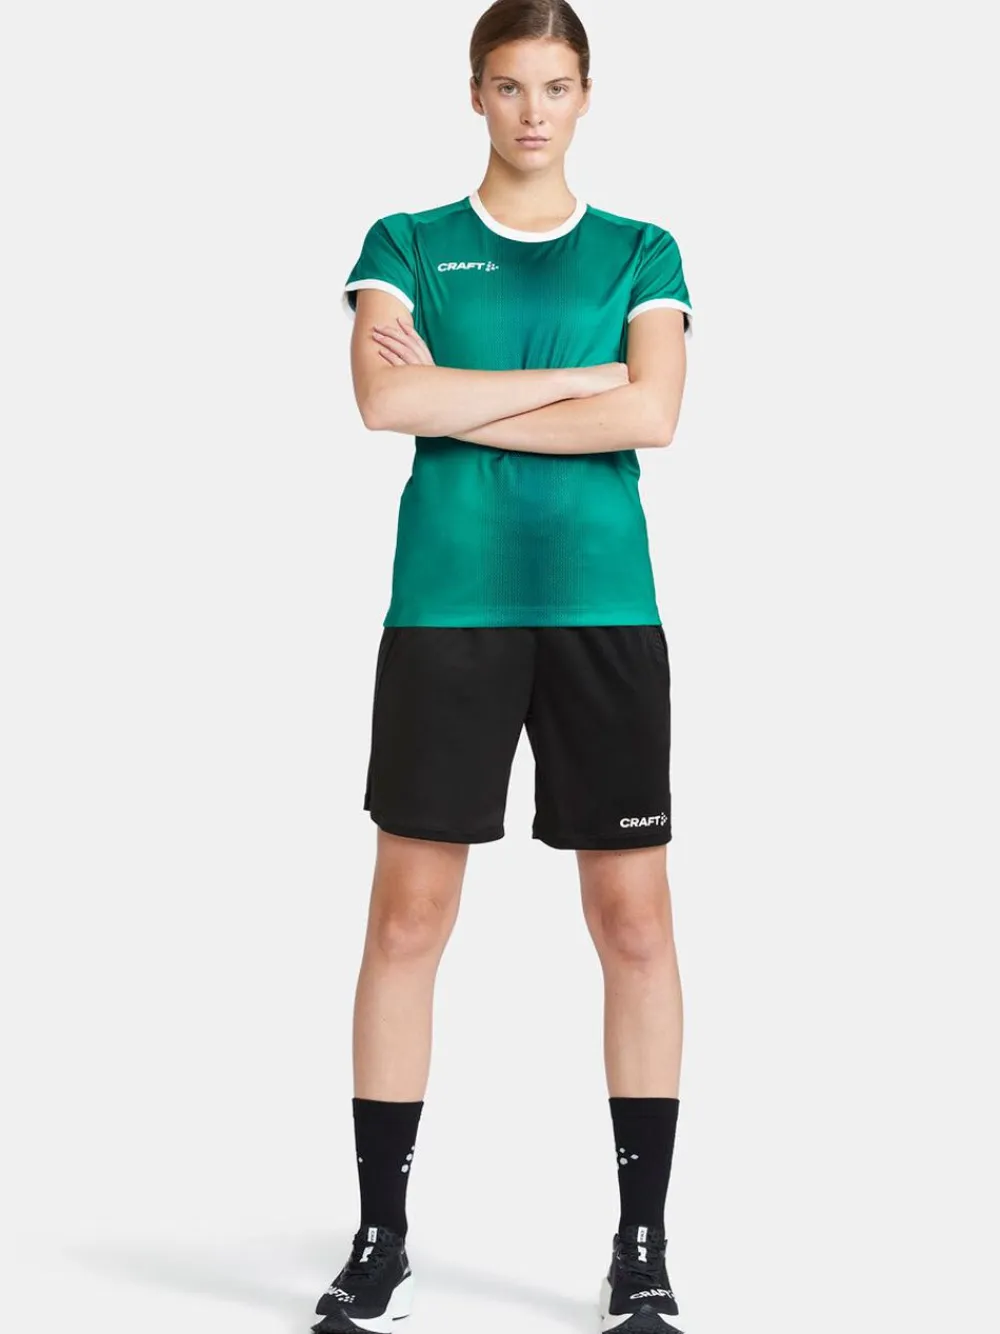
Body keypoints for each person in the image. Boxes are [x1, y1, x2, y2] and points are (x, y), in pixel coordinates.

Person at [313, 2, 694, 1331]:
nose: (534, 111)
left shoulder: (642, 248)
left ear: (587, 95)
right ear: (475, 93)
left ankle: (641, 1244)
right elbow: (386, 401)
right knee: (406, 920)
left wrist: (468, 392)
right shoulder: (406, 242)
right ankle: (381, 1238)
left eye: (557, 85)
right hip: (447, 616)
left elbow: (655, 412)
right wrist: (581, 383)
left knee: (635, 924)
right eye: (511, 85)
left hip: (604, 615)